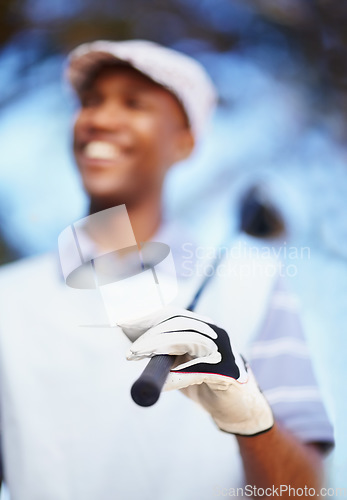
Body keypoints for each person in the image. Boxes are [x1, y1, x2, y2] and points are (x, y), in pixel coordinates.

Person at [0, 40, 333, 500]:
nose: (99, 118)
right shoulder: (8, 298)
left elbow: (305, 492)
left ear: (184, 142)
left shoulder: (252, 285)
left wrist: (251, 422)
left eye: (133, 103)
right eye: (91, 101)